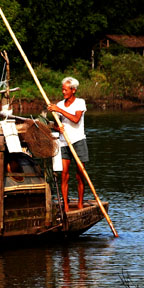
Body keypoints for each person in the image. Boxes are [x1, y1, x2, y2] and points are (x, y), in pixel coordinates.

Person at [47, 77, 88, 214]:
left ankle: (80, 204)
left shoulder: (80, 103)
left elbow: (76, 120)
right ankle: (65, 205)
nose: (63, 92)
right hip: (64, 142)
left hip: (78, 141)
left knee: (80, 174)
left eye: (66, 89)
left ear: (73, 90)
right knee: (64, 175)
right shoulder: (60, 104)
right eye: (62, 89)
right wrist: (57, 127)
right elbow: (55, 124)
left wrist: (59, 109)